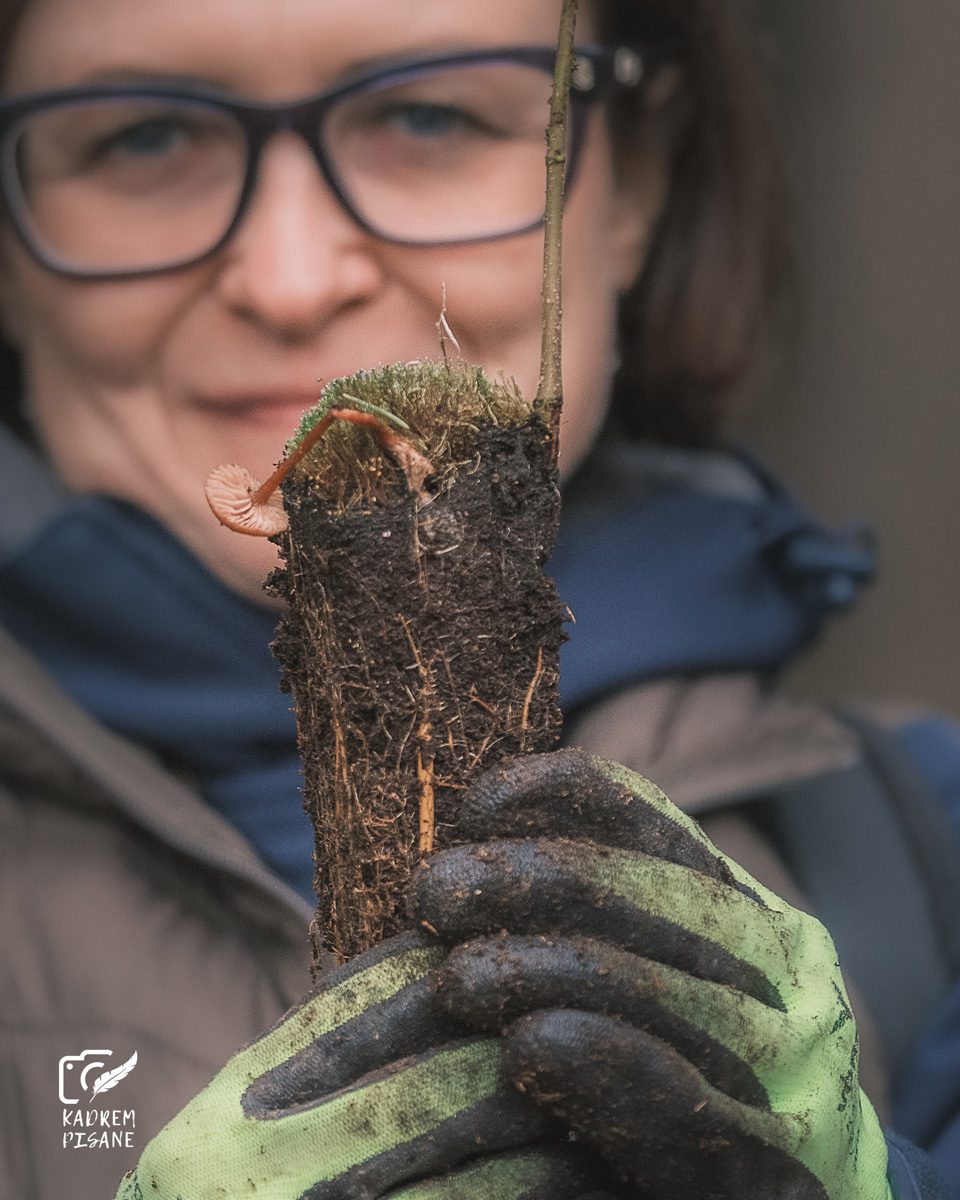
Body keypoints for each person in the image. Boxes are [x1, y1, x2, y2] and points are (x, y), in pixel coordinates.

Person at [0, 0, 957, 1197]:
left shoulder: (930, 862)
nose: (291, 281)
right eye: (141, 138)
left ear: (638, 180)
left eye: (428, 112)